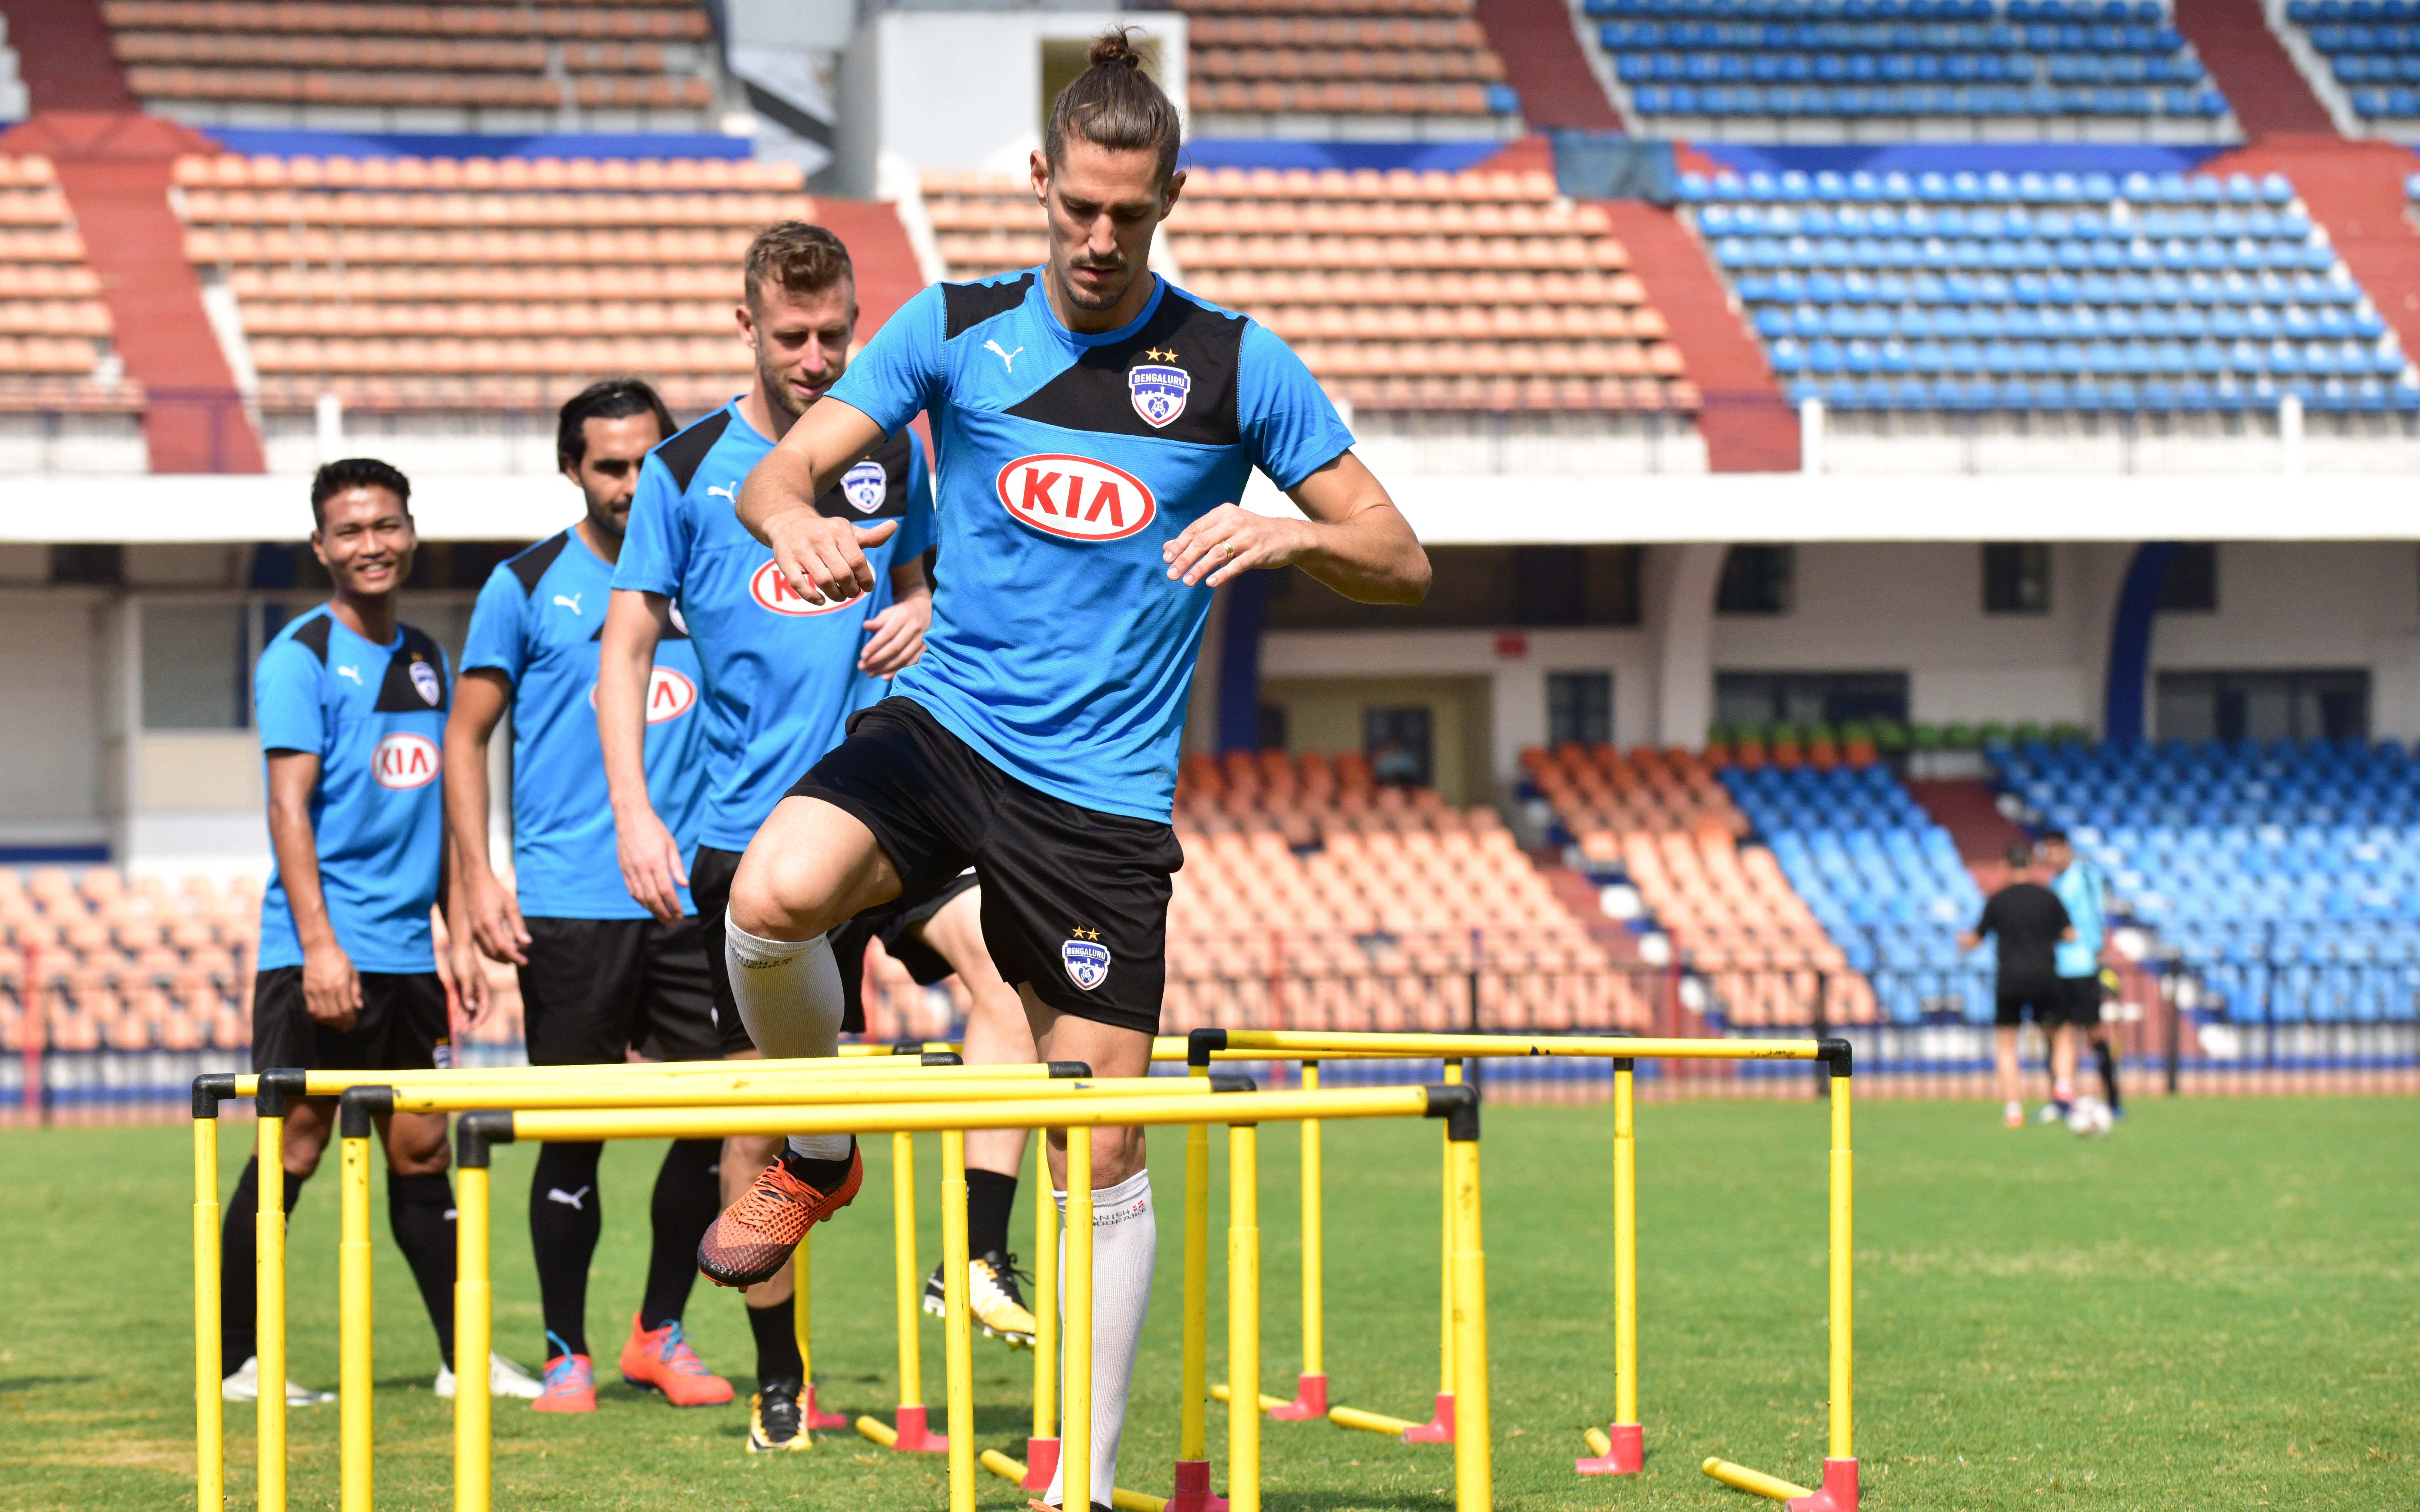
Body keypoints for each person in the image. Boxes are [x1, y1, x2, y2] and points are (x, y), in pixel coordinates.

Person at [706, 31, 1430, 1508]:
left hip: (1098, 800)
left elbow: (1400, 554)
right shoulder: (955, 328)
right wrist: (794, 523)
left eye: (1132, 213)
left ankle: (1077, 1488)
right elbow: (775, 471)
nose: (1101, 240)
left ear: (1172, 194)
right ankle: (820, 1137)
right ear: (1039, 182)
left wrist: (1290, 532)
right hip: (949, 728)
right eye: (1078, 208)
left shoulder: (1236, 363)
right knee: (774, 893)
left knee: (1099, 1144)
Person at [598, 222, 1039, 1451]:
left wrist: (920, 606)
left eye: (834, 334)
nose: (813, 355)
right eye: (789, 335)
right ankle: (781, 1378)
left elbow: (955, 585)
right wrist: (637, 808)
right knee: (772, 1115)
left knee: (1006, 976)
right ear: (743, 325)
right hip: (748, 833)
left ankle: (979, 1252)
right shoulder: (684, 465)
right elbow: (626, 648)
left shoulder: (886, 448)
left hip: (896, 798)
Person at [445, 379, 744, 1416]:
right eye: (608, 464)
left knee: (714, 1123)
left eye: (644, 462)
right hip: (572, 902)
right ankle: (565, 1345)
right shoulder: (525, 583)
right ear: (573, 468)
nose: (627, 482)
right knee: (574, 1129)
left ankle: (659, 1331)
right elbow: (464, 735)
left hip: (695, 900)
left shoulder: (713, 570)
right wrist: (478, 875)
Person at [220, 459, 541, 1407]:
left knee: (420, 1149)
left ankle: (461, 1356)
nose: (372, 543)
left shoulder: (427, 659)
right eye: (350, 530)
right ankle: (242, 1363)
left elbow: (440, 811)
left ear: (410, 531)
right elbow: (287, 807)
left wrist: (456, 936)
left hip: (409, 960)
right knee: (295, 1149)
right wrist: (321, 946)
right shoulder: (300, 656)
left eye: (386, 525)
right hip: (318, 955)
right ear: (321, 546)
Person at [1960, 842, 2077, 1130]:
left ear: (2006, 867)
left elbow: (1975, 940)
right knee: (2061, 1035)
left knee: (2007, 1046)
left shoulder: (1997, 900)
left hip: (2010, 979)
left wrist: (1963, 941)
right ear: (2031, 865)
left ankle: (2014, 1110)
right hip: (2046, 977)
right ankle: (2063, 1084)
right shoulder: (2049, 897)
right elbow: (2071, 935)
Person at [2040, 829, 2122, 1121]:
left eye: (2056, 849)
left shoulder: (2085, 876)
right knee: (2057, 1032)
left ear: (2067, 850)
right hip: (2059, 968)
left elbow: (2095, 918)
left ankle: (2113, 1098)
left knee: (2094, 1033)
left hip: (2084, 967)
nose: (2052, 855)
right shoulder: (2054, 882)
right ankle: (2061, 1099)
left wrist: (2101, 964)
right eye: (2047, 850)